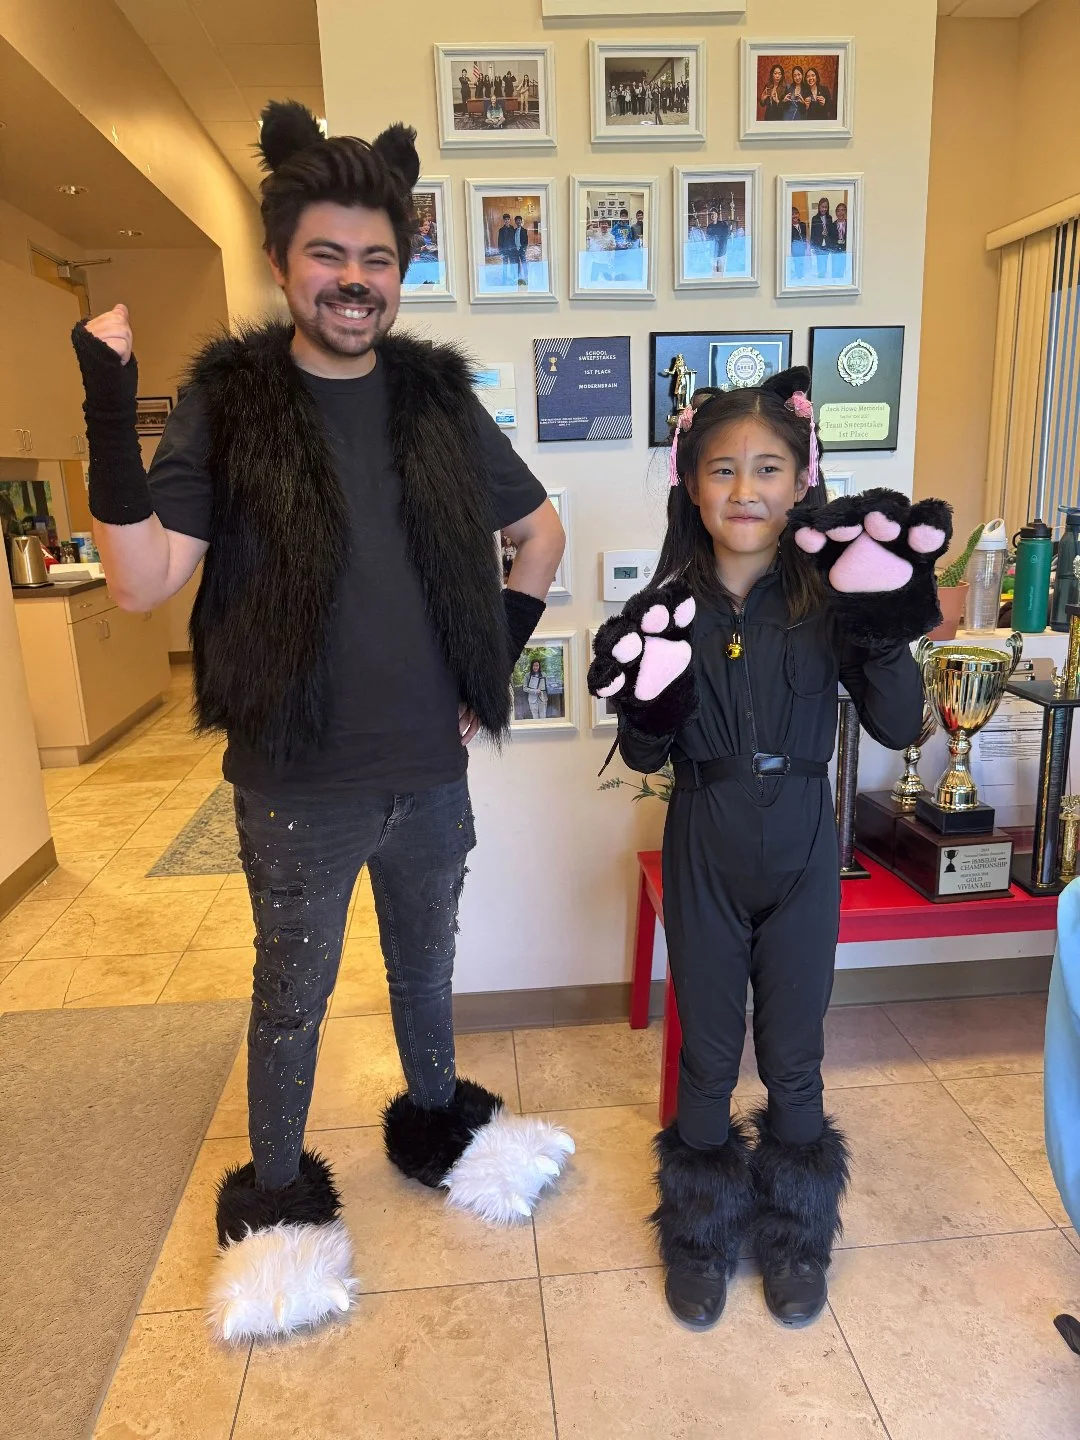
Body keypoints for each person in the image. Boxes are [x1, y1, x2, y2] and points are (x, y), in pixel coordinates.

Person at [69, 101, 573, 1344]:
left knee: (426, 971)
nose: (354, 280)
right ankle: (280, 1201)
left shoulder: (435, 398)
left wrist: (486, 668)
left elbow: (540, 532)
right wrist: (108, 409)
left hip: (429, 773)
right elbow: (141, 581)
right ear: (282, 262)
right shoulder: (231, 400)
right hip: (297, 781)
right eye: (328, 255)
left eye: (377, 258)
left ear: (402, 269)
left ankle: (439, 1124)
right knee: (290, 998)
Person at [588, 369, 951, 1332]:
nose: (744, 489)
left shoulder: (831, 600)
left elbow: (899, 722)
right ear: (690, 484)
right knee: (707, 1057)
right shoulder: (669, 608)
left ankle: (797, 1235)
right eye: (722, 470)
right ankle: (699, 1235)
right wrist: (649, 698)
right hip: (703, 845)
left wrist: (883, 625)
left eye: (767, 469)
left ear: (802, 482)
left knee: (794, 1057)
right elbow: (643, 754)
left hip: (802, 849)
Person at [810, 197, 836, 281]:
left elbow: (831, 231)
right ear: (819, 207)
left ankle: (823, 275)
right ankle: (820, 276)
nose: (824, 209)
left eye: (826, 207)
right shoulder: (815, 218)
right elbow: (813, 232)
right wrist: (812, 246)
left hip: (827, 243)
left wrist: (828, 234)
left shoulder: (829, 218)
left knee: (825, 260)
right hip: (818, 244)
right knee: (819, 261)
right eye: (822, 207)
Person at [705, 207, 730, 276]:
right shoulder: (709, 227)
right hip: (713, 253)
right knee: (714, 272)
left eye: (714, 214)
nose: (713, 216)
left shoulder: (723, 225)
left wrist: (719, 238)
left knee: (721, 271)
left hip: (722, 252)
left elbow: (727, 235)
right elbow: (708, 238)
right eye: (711, 214)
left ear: (717, 215)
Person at [831, 201, 850, 281]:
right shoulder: (832, 225)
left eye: (842, 210)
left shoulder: (850, 224)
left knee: (843, 268)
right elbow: (831, 239)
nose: (840, 213)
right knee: (835, 268)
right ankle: (835, 283)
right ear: (836, 213)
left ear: (846, 212)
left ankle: (842, 282)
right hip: (835, 251)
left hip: (846, 250)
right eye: (838, 211)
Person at [498, 211, 517, 285]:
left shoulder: (512, 228)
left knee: (513, 265)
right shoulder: (501, 230)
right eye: (505, 219)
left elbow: (514, 239)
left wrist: (515, 249)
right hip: (505, 251)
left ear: (510, 220)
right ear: (504, 220)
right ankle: (504, 280)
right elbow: (499, 241)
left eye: (508, 219)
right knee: (505, 266)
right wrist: (501, 252)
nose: (507, 220)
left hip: (512, 251)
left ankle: (514, 279)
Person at [511, 214, 530, 287]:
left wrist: (524, 249)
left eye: (519, 220)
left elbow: (526, 241)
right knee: (517, 265)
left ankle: (526, 278)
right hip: (515, 250)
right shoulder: (514, 230)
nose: (518, 222)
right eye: (517, 220)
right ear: (515, 222)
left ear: (521, 221)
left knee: (524, 264)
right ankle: (519, 279)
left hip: (522, 250)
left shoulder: (524, 230)